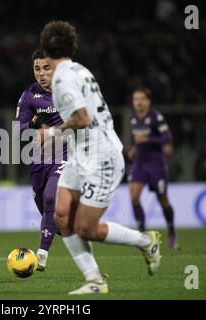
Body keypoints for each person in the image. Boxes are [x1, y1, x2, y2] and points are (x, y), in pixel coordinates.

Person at [39, 20, 162, 295]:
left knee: (86, 228)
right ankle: (95, 280)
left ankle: (145, 241)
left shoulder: (62, 78)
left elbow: (82, 118)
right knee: (61, 215)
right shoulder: (80, 69)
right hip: (81, 153)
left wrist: (53, 131)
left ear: (45, 50)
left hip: (101, 157)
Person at [16, 49, 67, 271]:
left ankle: (42, 254)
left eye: (46, 68)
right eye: (37, 68)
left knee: (49, 197)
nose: (41, 73)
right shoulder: (29, 96)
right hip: (38, 159)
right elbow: (18, 130)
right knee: (43, 203)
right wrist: (33, 124)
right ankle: (64, 227)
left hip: (64, 155)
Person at [128, 87, 177, 249]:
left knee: (163, 200)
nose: (139, 102)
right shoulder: (134, 118)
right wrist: (134, 148)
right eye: (136, 99)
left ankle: (171, 231)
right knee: (134, 196)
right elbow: (138, 140)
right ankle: (142, 235)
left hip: (156, 165)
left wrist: (147, 139)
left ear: (148, 101)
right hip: (140, 164)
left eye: (142, 99)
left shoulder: (156, 117)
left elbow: (167, 137)